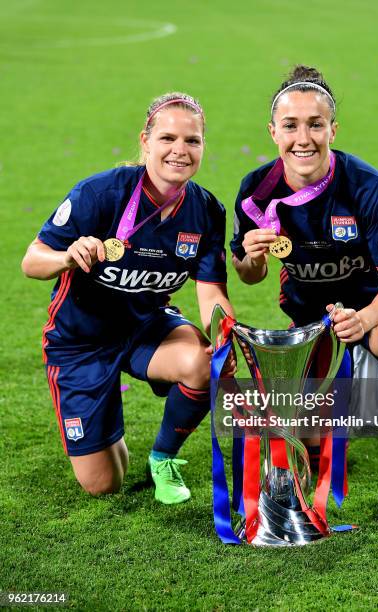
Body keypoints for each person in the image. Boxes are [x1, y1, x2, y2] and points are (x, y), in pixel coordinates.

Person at [230, 66, 378, 528]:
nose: (304, 138)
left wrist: (363, 321)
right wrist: (253, 259)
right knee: (305, 436)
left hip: (375, 307)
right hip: (311, 324)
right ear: (272, 132)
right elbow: (246, 274)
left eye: (315, 124)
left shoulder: (366, 184)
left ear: (333, 129)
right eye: (290, 126)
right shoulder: (255, 192)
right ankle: (301, 454)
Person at [22, 92, 235, 504]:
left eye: (192, 141)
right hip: (80, 342)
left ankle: (163, 456)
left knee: (205, 362)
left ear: (203, 146)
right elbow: (32, 260)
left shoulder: (207, 210)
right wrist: (67, 256)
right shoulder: (100, 194)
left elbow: (210, 292)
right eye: (168, 138)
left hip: (146, 327)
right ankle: (104, 420)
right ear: (146, 141)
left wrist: (227, 334)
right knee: (104, 484)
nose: (180, 150)